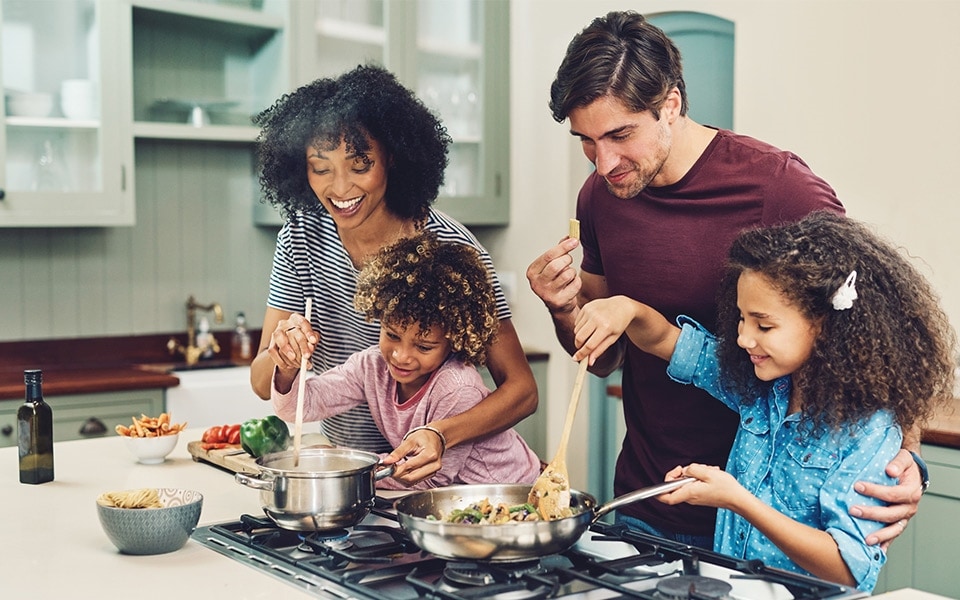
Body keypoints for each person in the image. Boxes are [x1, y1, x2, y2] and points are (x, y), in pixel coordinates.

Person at [526, 10, 924, 549]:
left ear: (670, 105)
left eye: (620, 135)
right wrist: (562, 308)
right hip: (649, 502)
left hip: (779, 523)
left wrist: (910, 456)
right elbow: (604, 361)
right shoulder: (600, 199)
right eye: (587, 141)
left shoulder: (780, 188)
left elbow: (878, 332)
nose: (604, 163)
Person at [570, 212, 956, 591]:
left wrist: (738, 500)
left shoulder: (868, 431)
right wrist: (628, 309)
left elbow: (846, 567)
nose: (743, 338)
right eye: (741, 319)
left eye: (763, 325)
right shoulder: (758, 387)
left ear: (823, 324)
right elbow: (665, 341)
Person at [251, 64, 538, 485]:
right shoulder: (301, 236)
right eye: (321, 167)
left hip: (433, 479)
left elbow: (522, 391)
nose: (340, 187)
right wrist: (284, 356)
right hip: (355, 472)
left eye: (360, 164)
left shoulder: (452, 250)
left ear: (393, 159)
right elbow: (264, 383)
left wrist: (440, 434)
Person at [270, 233, 542, 490]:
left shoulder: (457, 387)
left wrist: (343, 463)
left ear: (454, 340)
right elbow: (298, 407)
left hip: (510, 489)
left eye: (424, 346)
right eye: (391, 335)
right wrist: (288, 367)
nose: (401, 356)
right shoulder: (372, 366)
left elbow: (430, 478)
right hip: (455, 495)